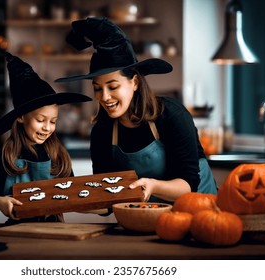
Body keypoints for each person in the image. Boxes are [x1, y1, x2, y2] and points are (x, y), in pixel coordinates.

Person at [55, 17, 217, 203]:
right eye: (97, 89)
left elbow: (189, 186)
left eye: (113, 87)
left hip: (199, 212)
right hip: (145, 219)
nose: (104, 97)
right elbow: (106, 196)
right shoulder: (102, 131)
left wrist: (153, 186)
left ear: (135, 82)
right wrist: (72, 194)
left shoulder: (172, 115)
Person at [0, 52, 91, 223]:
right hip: (16, 234)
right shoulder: (2, 155)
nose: (47, 128)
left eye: (53, 121)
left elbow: (75, 198)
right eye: (40, 120)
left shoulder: (58, 154)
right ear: (21, 117)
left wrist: (106, 205)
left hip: (56, 234)